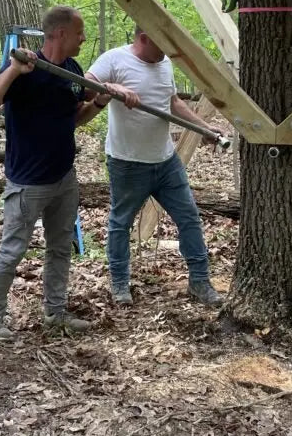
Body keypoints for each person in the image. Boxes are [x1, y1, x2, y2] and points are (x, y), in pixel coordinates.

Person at [0, 6, 138, 342]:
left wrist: (100, 103)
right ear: (61, 33)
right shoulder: (25, 67)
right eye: (79, 33)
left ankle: (56, 312)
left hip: (63, 177)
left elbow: (73, 118)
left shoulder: (73, 70)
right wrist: (13, 71)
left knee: (61, 247)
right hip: (27, 182)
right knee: (12, 250)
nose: (84, 38)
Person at [87, 26, 224, 307]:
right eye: (159, 42)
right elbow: (86, 83)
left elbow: (173, 102)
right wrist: (110, 88)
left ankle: (199, 282)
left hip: (165, 162)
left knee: (189, 218)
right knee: (120, 224)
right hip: (128, 163)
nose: (164, 50)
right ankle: (120, 285)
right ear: (143, 37)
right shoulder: (114, 59)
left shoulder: (164, 64)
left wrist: (204, 127)